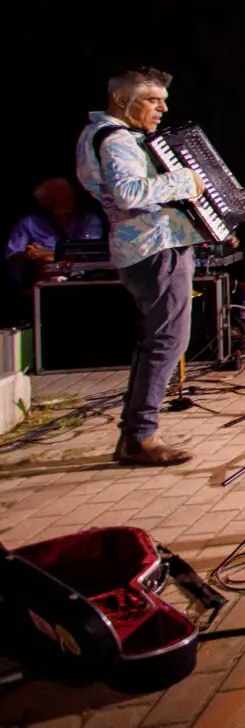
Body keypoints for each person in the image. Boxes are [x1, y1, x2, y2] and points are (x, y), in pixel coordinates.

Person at [73, 68, 208, 468]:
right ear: (120, 100)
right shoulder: (116, 140)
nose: (163, 108)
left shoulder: (108, 136)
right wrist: (184, 181)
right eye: (153, 99)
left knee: (158, 340)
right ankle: (140, 436)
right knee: (168, 341)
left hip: (148, 245)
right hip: (152, 247)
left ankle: (136, 433)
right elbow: (130, 193)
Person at [7, 178, 104, 290]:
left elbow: (89, 254)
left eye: (69, 194)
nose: (68, 199)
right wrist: (28, 256)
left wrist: (44, 254)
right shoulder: (29, 224)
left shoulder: (89, 221)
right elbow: (12, 258)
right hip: (41, 285)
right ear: (45, 200)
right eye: (60, 195)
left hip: (83, 284)